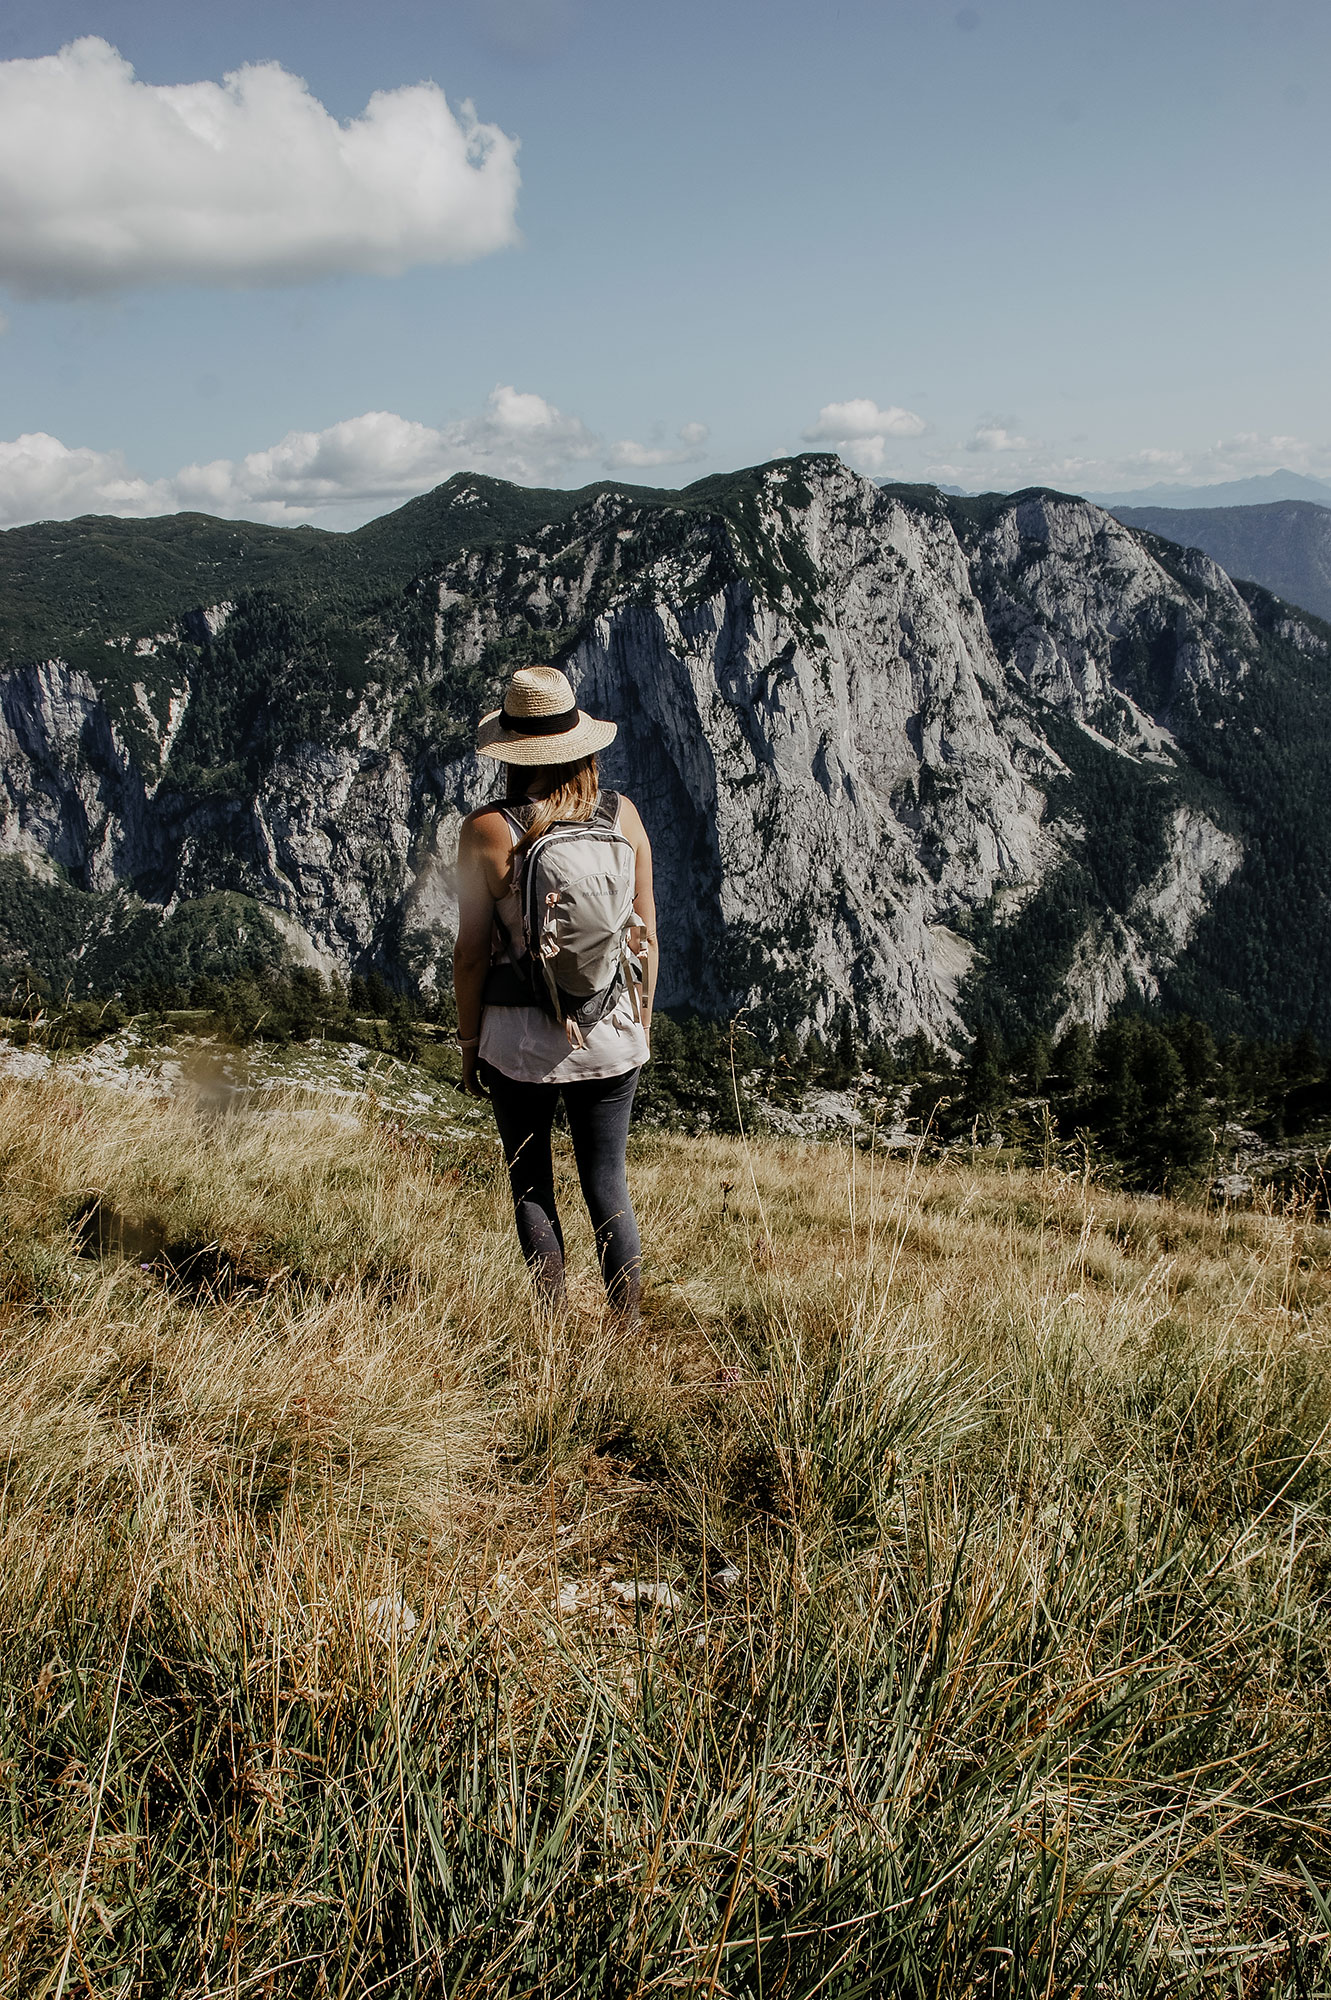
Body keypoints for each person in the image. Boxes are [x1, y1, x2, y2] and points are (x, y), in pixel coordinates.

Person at [452, 664, 657, 1317]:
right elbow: (646, 936)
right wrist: (639, 1024)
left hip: (518, 1043)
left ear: (512, 751)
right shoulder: (621, 815)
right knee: (607, 1183)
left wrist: (466, 1044)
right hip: (610, 1030)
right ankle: (625, 1334)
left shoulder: (488, 830)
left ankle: (550, 1331)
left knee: (531, 1183)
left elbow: (469, 955)